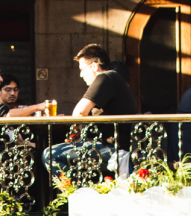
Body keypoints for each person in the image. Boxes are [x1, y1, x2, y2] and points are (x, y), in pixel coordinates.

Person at [42, 44, 137, 180]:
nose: (81, 75)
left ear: (94, 66)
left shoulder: (105, 77)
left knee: (50, 154)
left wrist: (76, 127)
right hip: (114, 145)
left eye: (82, 69)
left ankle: (75, 193)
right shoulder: (114, 79)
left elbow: (79, 112)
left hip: (112, 149)